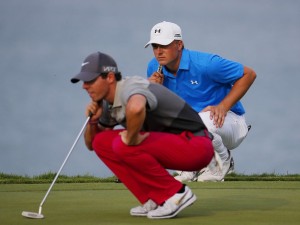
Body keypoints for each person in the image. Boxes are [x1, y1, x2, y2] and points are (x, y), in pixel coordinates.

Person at [71, 51, 216, 219]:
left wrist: (131, 139)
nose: (84, 86)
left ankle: (176, 193)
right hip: (175, 144)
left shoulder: (130, 87)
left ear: (110, 77)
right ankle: (153, 198)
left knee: (123, 144)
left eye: (90, 80)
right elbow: (92, 145)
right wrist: (93, 122)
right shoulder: (106, 104)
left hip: (196, 145)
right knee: (102, 142)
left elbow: (136, 107)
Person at [145, 21, 256, 182]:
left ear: (179, 44)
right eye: (155, 46)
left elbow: (249, 74)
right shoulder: (154, 68)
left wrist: (223, 106)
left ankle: (222, 163)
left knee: (199, 120)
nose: (159, 51)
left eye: (164, 45)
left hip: (228, 123)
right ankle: (189, 168)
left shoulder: (206, 64)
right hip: (197, 128)